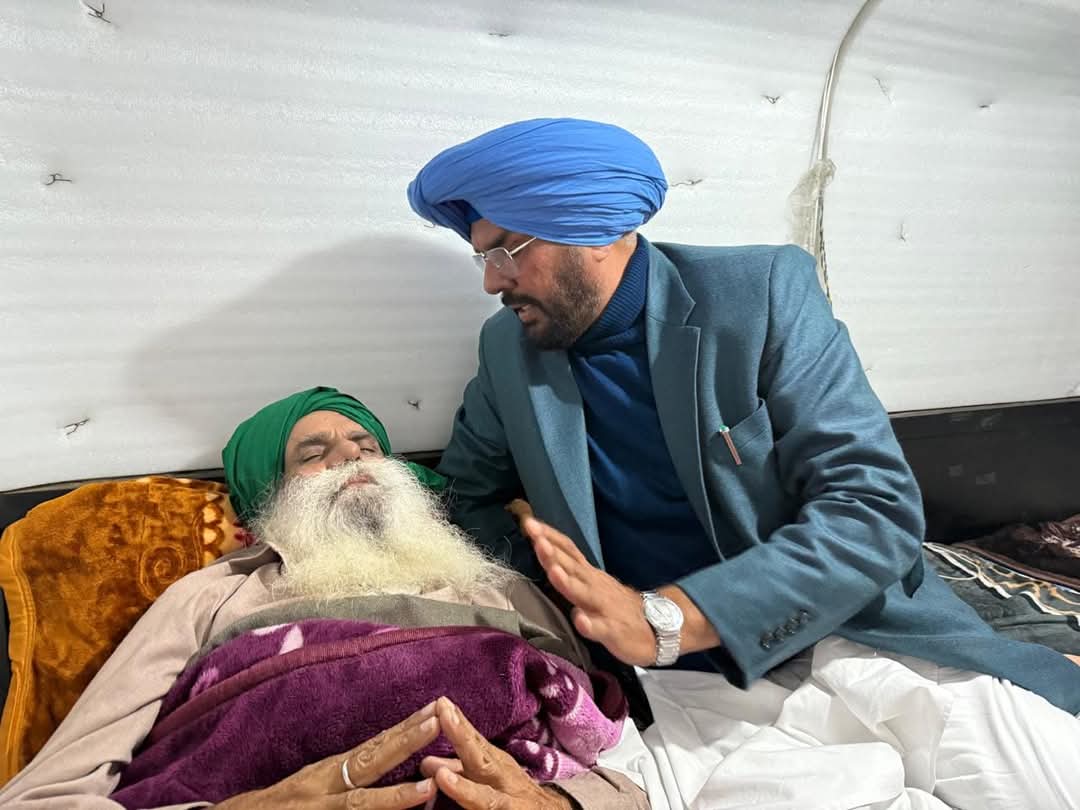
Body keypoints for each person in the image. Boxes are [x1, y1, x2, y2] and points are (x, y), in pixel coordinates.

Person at [408, 118, 1080, 807]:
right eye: (482, 257)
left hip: (856, 636)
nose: (492, 281)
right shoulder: (507, 352)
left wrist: (671, 618)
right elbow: (466, 498)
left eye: (507, 250)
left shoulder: (760, 294)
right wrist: (561, 588)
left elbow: (873, 509)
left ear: (596, 231)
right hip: (682, 698)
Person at [0, 387, 648, 810]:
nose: (350, 457)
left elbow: (621, 760)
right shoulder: (212, 596)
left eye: (367, 445)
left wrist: (561, 804)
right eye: (314, 452)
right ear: (271, 496)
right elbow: (47, 795)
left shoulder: (498, 586)